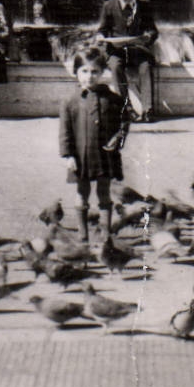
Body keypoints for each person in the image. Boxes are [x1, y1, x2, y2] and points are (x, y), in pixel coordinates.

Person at [58, 46, 131, 243]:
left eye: (94, 72)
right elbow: (64, 131)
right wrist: (68, 156)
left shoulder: (114, 99)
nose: (89, 77)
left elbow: (124, 122)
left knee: (104, 192)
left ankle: (105, 231)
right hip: (81, 156)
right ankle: (83, 234)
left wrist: (118, 138)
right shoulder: (69, 101)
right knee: (82, 193)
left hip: (106, 155)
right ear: (76, 72)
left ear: (102, 73)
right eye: (84, 72)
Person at [97, 0, 159, 121]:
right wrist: (100, 37)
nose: (127, 2)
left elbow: (153, 30)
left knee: (146, 67)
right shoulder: (108, 6)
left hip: (137, 49)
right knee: (115, 66)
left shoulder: (144, 5)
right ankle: (126, 109)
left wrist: (148, 37)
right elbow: (102, 29)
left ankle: (147, 110)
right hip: (116, 50)